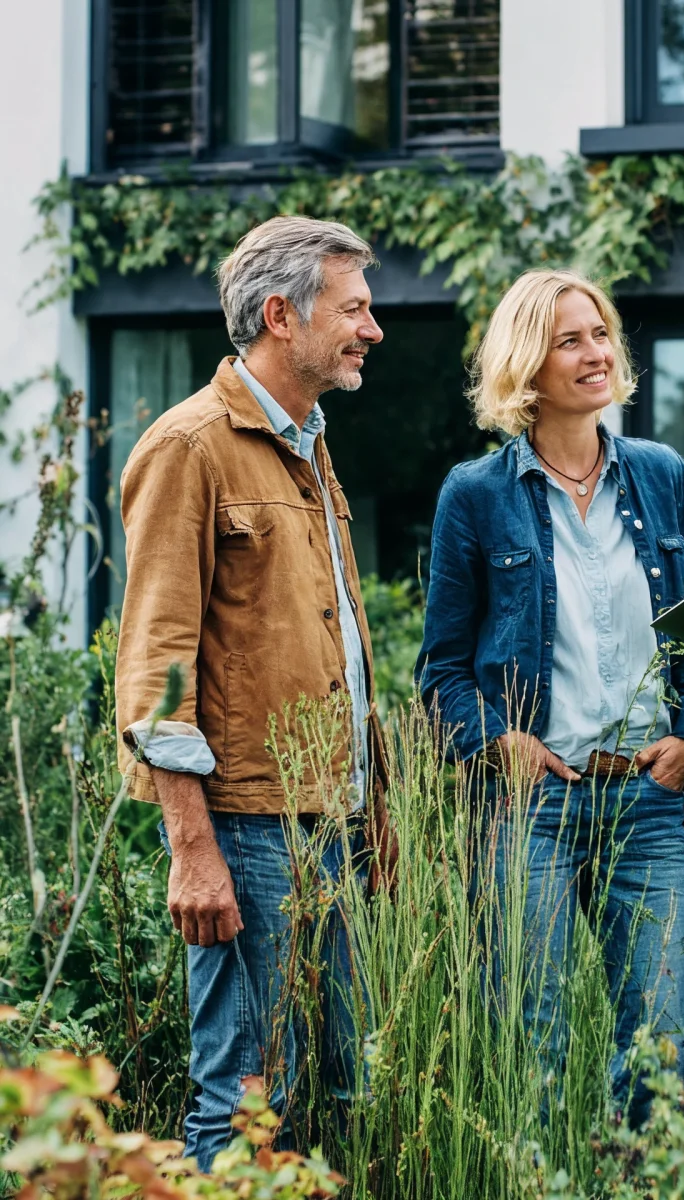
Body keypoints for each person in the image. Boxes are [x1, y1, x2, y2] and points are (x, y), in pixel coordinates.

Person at [416, 268, 684, 1124]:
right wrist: (498, 743)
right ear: (527, 364)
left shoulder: (660, 474)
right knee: (535, 1047)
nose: (596, 353)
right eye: (570, 340)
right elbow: (441, 668)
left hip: (646, 798)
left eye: (599, 334)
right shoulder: (475, 497)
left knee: (660, 1052)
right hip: (534, 808)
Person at [114, 215, 389, 1168]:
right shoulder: (189, 447)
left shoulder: (308, 446)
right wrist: (192, 848)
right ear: (282, 314)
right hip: (247, 823)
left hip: (333, 818)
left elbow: (337, 644)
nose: (373, 328)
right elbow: (154, 668)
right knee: (245, 1095)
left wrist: (374, 807)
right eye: (354, 308)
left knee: (341, 1084)